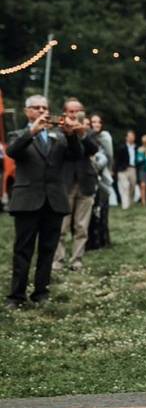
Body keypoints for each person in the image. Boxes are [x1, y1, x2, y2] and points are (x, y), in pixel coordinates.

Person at [6, 96, 85, 309]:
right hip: (27, 201)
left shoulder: (58, 135)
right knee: (23, 250)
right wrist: (32, 131)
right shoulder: (18, 134)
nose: (42, 110)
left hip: (54, 201)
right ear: (27, 111)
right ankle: (16, 296)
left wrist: (71, 136)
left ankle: (41, 292)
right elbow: (12, 152)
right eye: (36, 107)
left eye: (45, 107)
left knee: (48, 249)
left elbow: (77, 155)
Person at [53, 99, 100, 272]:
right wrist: (70, 133)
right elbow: (64, 152)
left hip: (85, 182)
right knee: (61, 226)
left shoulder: (87, 131)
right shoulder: (57, 132)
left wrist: (82, 134)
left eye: (77, 111)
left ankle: (77, 260)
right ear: (65, 113)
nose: (74, 114)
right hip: (65, 183)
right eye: (71, 111)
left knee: (82, 226)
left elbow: (94, 149)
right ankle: (58, 260)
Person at [86, 114, 113, 251]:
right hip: (89, 178)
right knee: (91, 212)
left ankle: (104, 239)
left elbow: (109, 157)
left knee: (103, 209)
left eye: (99, 122)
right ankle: (92, 241)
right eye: (93, 122)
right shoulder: (86, 136)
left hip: (103, 177)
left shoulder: (105, 138)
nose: (96, 124)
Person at [115, 130, 138, 209]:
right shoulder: (121, 147)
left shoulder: (136, 148)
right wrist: (116, 170)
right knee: (125, 186)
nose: (131, 138)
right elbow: (117, 159)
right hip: (123, 169)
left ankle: (130, 202)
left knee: (133, 186)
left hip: (133, 168)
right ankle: (125, 205)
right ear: (126, 138)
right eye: (129, 136)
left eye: (132, 136)